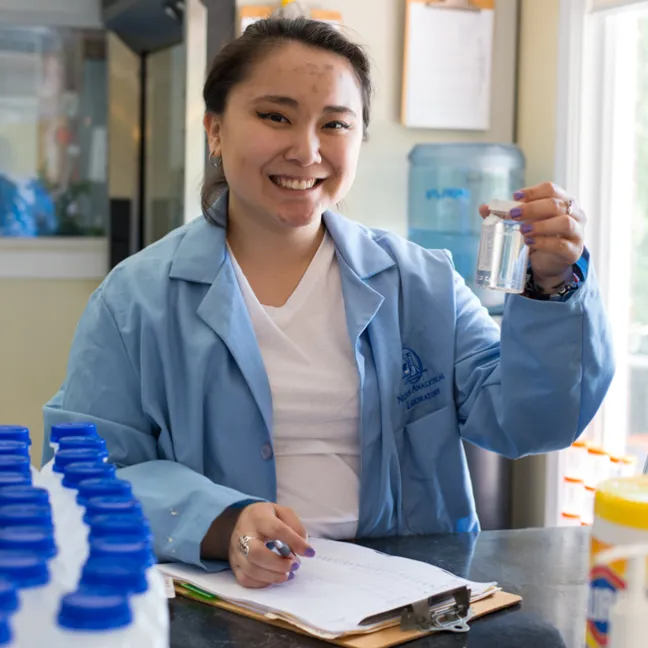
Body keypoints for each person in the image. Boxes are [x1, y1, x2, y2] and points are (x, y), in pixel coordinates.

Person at [43, 18, 614, 590]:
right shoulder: (135, 300)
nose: (306, 150)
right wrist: (221, 524)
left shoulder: (422, 284)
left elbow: (533, 422)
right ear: (215, 130)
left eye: (335, 124)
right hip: (224, 598)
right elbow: (86, 470)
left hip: (406, 602)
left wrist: (553, 289)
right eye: (275, 116)